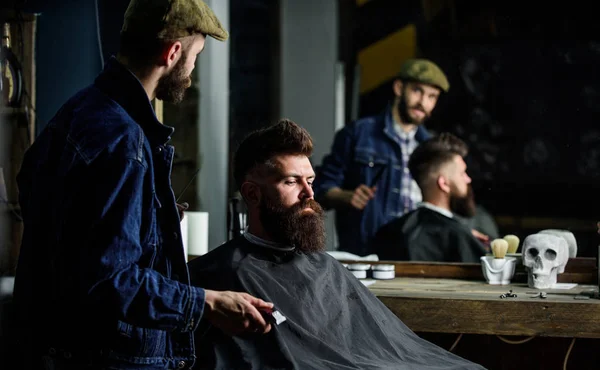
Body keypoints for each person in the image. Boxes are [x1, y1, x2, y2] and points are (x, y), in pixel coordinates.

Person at [13, 1, 273, 369]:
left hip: (52, 344)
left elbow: (51, 212)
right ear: (173, 52)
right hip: (105, 357)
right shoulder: (124, 140)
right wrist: (207, 303)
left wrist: (145, 217)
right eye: (196, 56)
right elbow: (111, 279)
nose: (194, 71)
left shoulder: (77, 111)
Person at [187, 119, 485, 370]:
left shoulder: (324, 265)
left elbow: (392, 349)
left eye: (311, 181)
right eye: (292, 182)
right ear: (252, 194)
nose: (309, 194)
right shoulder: (223, 274)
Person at [313, 58, 450, 256]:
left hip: (414, 256)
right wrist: (347, 196)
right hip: (366, 256)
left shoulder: (432, 148)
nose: (423, 102)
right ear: (399, 87)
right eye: (417, 90)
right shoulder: (357, 133)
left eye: (432, 96)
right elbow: (320, 189)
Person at [371, 133, 488, 263]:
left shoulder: (388, 233)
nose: (468, 179)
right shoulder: (458, 235)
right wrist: (461, 236)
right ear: (444, 184)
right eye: (462, 173)